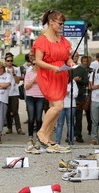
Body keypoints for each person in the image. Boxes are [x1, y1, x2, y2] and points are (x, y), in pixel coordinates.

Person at [33, 10, 75, 148]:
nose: (61, 26)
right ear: (51, 22)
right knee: (59, 106)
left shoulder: (62, 40)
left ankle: (48, 137)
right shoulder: (42, 40)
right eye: (60, 23)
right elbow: (38, 61)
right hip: (48, 76)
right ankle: (41, 132)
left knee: (55, 108)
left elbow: (66, 57)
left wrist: (70, 62)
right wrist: (52, 68)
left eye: (63, 23)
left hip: (61, 76)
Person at [69, 51, 88, 143]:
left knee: (79, 117)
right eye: (73, 56)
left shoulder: (81, 69)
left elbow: (86, 82)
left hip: (79, 96)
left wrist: (79, 80)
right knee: (70, 117)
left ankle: (78, 135)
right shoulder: (67, 68)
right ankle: (70, 135)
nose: (75, 57)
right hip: (69, 96)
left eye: (77, 56)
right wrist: (73, 80)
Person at [24, 59, 44, 145]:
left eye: (37, 64)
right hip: (30, 97)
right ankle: (30, 136)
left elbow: (44, 85)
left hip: (40, 97)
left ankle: (39, 136)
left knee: (39, 118)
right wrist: (35, 78)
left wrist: (39, 77)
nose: (36, 65)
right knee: (31, 118)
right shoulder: (28, 74)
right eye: (34, 64)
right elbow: (27, 87)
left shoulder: (43, 74)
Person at [5, 52, 25, 135]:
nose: (10, 62)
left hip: (14, 93)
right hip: (5, 93)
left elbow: (17, 81)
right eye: (8, 61)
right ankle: (9, 128)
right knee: (7, 111)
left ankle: (18, 128)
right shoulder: (3, 69)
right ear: (5, 61)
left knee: (15, 111)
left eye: (11, 61)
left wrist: (13, 74)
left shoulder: (16, 69)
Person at [55, 76, 78, 145]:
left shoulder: (73, 82)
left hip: (71, 105)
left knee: (70, 123)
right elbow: (55, 92)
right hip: (61, 105)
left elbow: (76, 94)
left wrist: (69, 93)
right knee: (59, 124)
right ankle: (57, 141)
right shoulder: (58, 81)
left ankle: (71, 140)